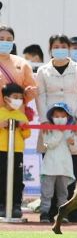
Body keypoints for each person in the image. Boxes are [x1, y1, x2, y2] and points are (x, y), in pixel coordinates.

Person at [35, 34, 77, 223]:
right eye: (56, 45)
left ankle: (73, 209)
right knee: (50, 168)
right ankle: (50, 210)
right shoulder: (43, 70)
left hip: (74, 123)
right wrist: (44, 121)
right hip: (51, 124)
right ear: (50, 48)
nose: (59, 48)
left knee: (74, 169)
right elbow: (40, 96)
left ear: (68, 48)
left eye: (63, 45)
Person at [39, 103, 76, 223]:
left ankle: (62, 215)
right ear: (51, 117)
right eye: (56, 116)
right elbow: (49, 144)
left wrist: (72, 142)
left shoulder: (71, 130)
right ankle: (44, 213)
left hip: (64, 168)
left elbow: (75, 149)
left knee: (63, 194)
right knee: (47, 193)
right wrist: (59, 132)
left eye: (63, 116)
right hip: (49, 167)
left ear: (68, 117)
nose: (60, 118)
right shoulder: (47, 130)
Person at [0, 83, 31, 218]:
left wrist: (24, 127)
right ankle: (1, 205)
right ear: (6, 98)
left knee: (17, 179)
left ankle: (16, 205)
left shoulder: (21, 115)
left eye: (20, 98)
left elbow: (27, 134)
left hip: (17, 151)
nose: (18, 100)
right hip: (1, 150)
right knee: (1, 177)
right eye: (15, 97)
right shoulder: (0, 112)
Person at [0, 25, 38, 107]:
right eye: (1, 39)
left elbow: (32, 90)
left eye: (9, 40)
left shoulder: (22, 63)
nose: (5, 42)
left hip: (16, 115)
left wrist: (28, 93)